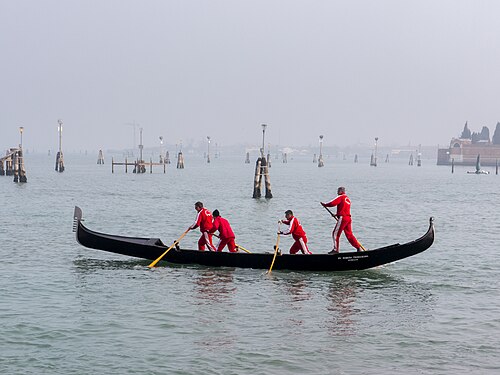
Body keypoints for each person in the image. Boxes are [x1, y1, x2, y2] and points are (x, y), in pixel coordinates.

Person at [321, 186, 362, 254]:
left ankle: (335, 250)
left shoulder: (341, 197)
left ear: (341, 191)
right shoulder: (347, 199)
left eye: (338, 191)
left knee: (335, 234)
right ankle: (358, 248)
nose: (337, 192)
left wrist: (325, 205)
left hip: (343, 218)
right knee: (349, 235)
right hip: (348, 218)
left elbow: (333, 203)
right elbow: (344, 209)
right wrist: (336, 215)